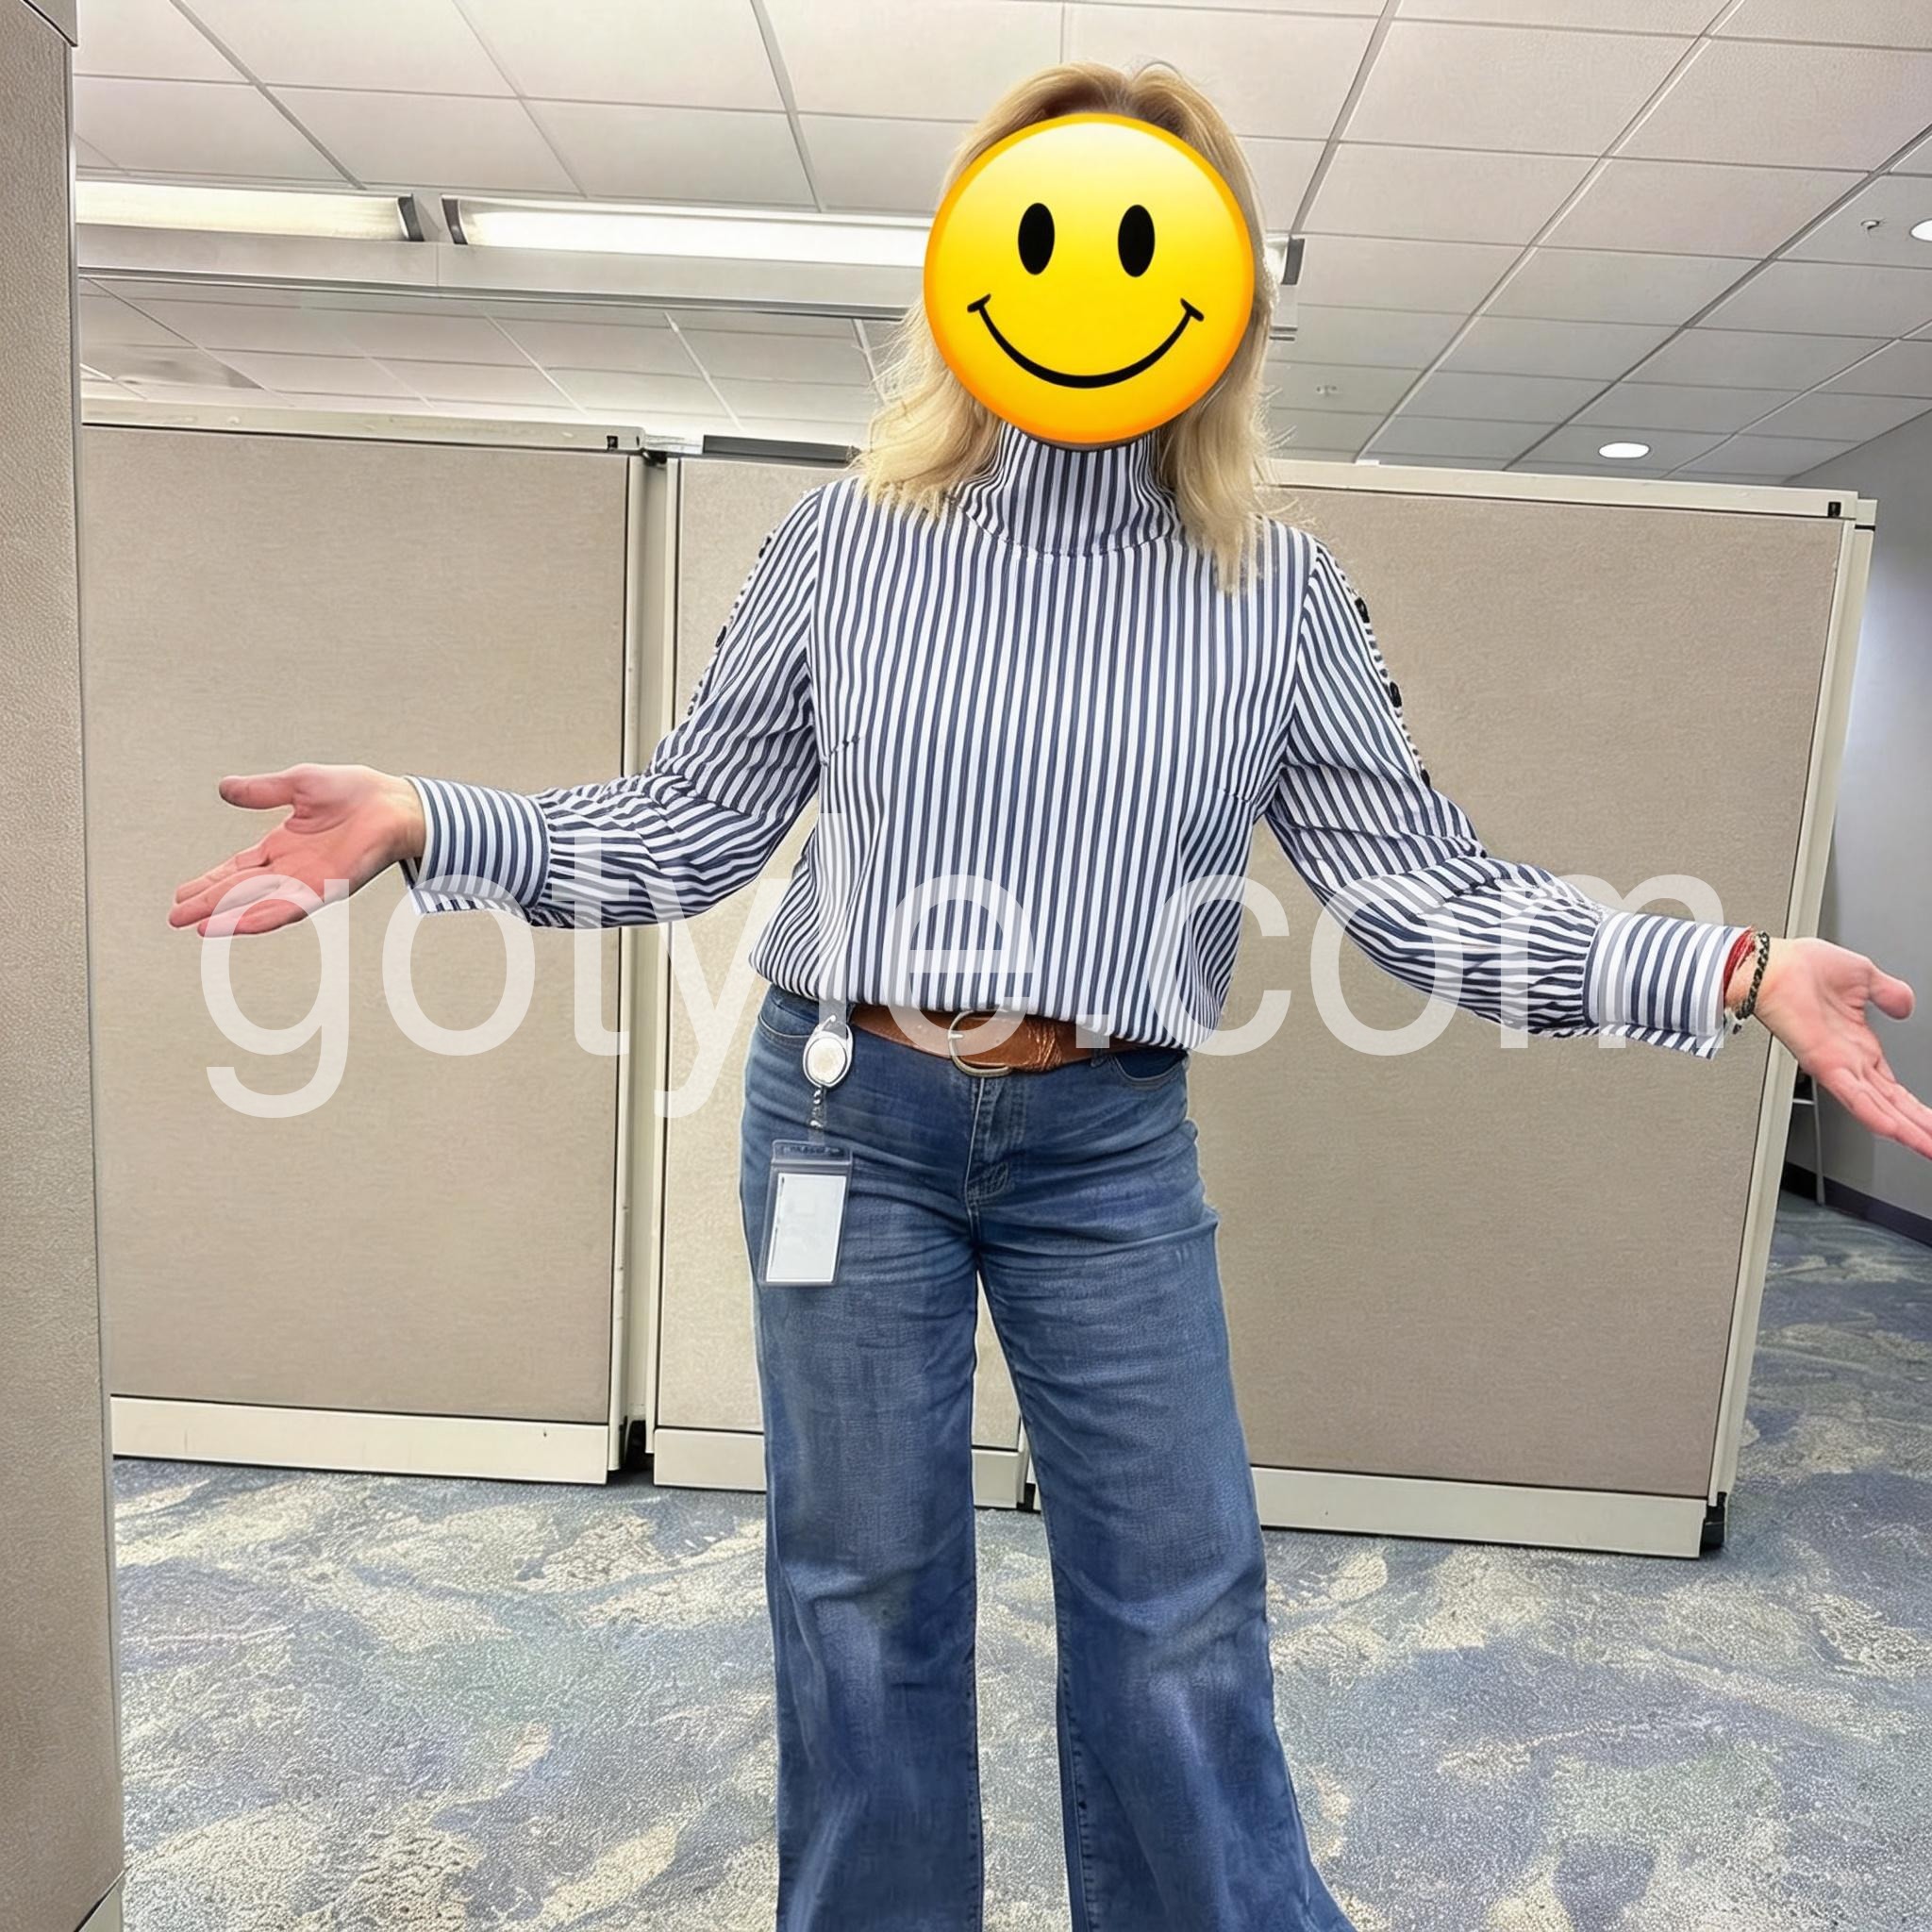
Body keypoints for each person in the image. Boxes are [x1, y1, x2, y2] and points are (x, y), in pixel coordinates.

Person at [170, 60, 1931, 1932]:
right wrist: (427, 817)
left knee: (1178, 1608)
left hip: (1107, 1143)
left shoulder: (1277, 591)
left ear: (1219, 299)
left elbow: (1423, 890)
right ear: (971, 272)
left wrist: (1727, 965)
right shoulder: (843, 543)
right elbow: (691, 825)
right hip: (843, 1120)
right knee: (859, 1597)